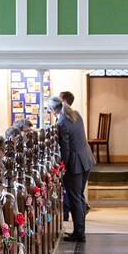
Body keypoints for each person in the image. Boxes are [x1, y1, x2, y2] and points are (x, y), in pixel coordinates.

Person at [49, 96, 94, 242]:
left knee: (75, 198)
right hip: (86, 159)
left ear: (52, 110)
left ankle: (79, 232)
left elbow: (65, 148)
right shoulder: (76, 114)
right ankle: (80, 229)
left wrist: (64, 167)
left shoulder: (62, 121)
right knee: (79, 196)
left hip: (75, 164)